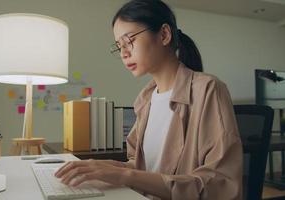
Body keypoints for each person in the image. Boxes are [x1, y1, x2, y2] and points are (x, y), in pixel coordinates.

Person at [55, 0, 243, 199]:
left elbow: (220, 186)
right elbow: (140, 167)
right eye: (119, 46)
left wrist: (126, 175)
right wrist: (98, 166)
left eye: (129, 41)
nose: (124, 53)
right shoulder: (145, 99)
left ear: (164, 35)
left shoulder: (208, 89)